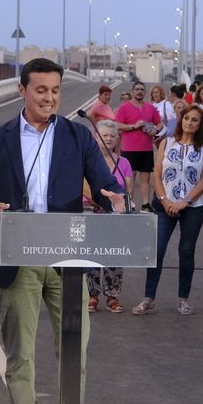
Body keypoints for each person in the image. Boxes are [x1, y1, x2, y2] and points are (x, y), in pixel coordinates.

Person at [0, 58, 125, 404]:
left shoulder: (77, 135)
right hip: (18, 255)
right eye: (41, 90)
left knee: (76, 349)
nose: (50, 97)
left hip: (68, 257)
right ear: (23, 90)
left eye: (55, 90)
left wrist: (113, 195)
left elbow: (102, 180)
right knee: (21, 353)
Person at [136, 104, 203, 315]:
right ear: (181, 120)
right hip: (164, 204)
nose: (189, 122)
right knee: (157, 250)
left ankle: (183, 299)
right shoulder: (167, 143)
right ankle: (149, 297)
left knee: (186, 251)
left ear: (200, 124)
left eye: (194, 120)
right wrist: (165, 200)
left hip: (193, 206)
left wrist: (184, 202)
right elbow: (157, 175)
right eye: (187, 118)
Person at [84, 118, 130, 314]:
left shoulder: (124, 162)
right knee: (91, 254)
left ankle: (112, 295)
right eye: (104, 135)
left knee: (114, 254)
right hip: (91, 210)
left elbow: (127, 189)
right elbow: (82, 184)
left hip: (114, 214)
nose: (108, 139)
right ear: (96, 137)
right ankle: (92, 295)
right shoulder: (86, 161)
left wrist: (119, 206)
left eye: (112, 136)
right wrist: (98, 202)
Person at [116, 81, 162, 211]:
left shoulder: (150, 108)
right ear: (132, 91)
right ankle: (128, 202)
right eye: (137, 89)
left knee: (146, 177)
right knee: (130, 178)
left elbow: (159, 124)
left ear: (145, 92)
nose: (139, 91)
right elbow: (118, 125)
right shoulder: (124, 107)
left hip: (146, 148)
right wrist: (133, 126)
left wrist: (156, 130)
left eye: (142, 89)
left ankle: (145, 204)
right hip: (129, 149)